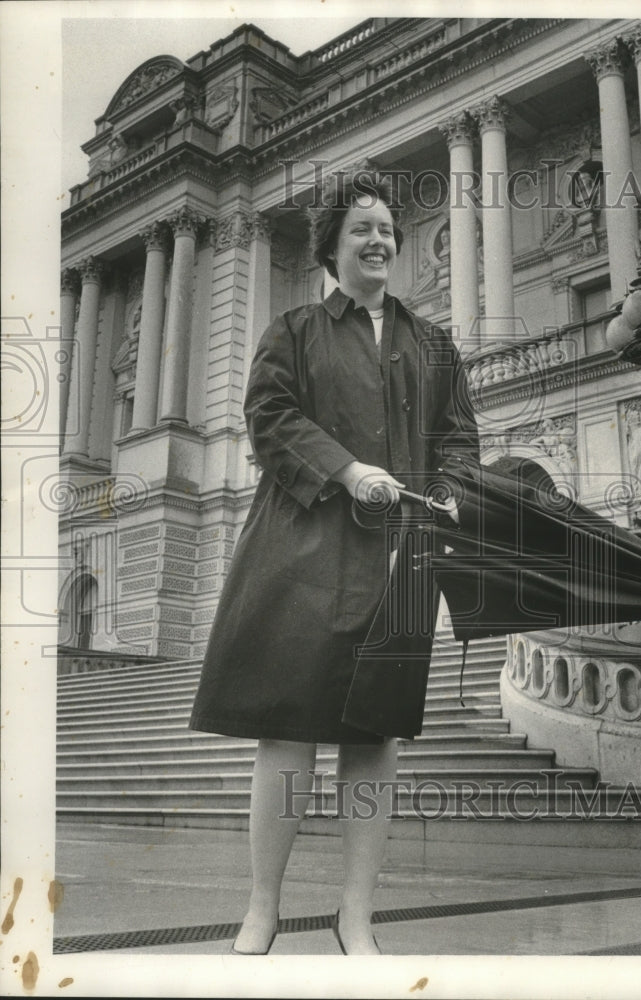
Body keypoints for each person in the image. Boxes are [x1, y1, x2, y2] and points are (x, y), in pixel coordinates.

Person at [189, 170, 479, 955]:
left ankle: (357, 914)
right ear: (331, 247)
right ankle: (262, 906)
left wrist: (450, 494)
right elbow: (269, 416)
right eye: (362, 229)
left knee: (374, 738)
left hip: (398, 560)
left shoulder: (434, 343)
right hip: (304, 548)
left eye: (387, 229)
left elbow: (457, 437)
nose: (379, 239)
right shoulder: (292, 330)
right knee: (285, 737)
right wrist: (350, 471)